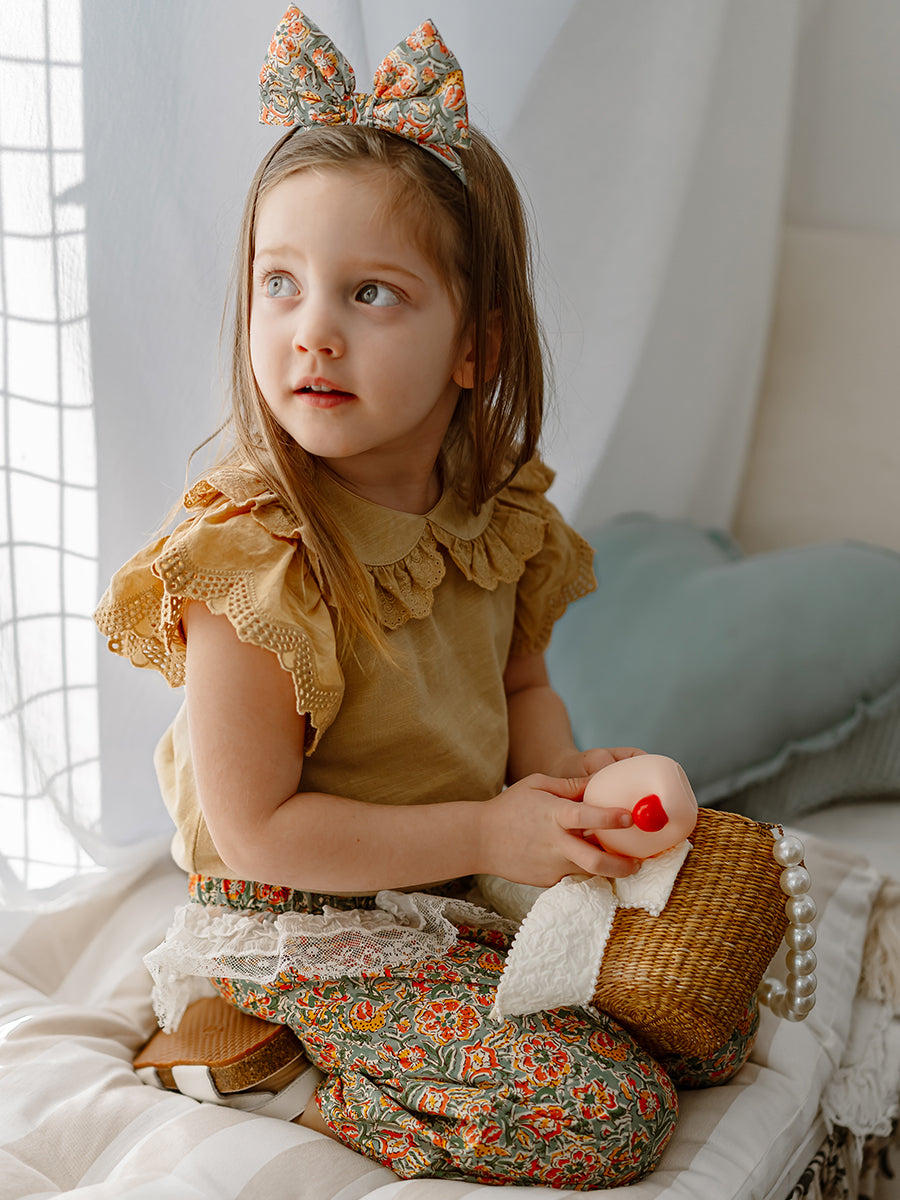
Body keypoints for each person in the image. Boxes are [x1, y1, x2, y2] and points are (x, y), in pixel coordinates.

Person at [95, 8, 757, 1189]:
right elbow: (259, 833)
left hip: (445, 880)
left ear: (476, 349)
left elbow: (521, 685)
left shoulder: (492, 514)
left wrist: (561, 787)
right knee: (610, 1115)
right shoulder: (251, 561)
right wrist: (490, 832)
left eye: (372, 294)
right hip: (299, 921)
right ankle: (261, 1062)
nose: (313, 333)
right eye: (281, 285)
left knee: (708, 1028)